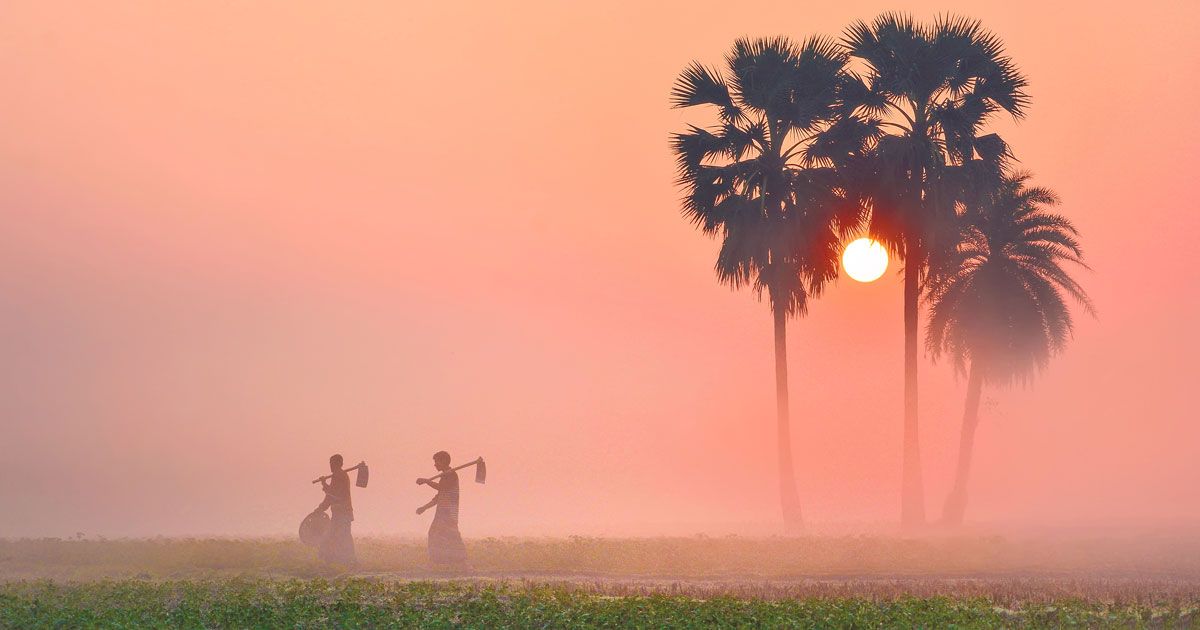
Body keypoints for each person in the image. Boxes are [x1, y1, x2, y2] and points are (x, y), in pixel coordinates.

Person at [416, 451, 467, 567]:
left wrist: (426, 481)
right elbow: (439, 497)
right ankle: (448, 562)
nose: (435, 464)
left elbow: (441, 487)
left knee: (444, 535)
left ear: (443, 461)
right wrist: (424, 508)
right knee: (445, 535)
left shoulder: (451, 475)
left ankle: (456, 562)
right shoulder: (446, 475)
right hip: (442, 512)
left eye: (436, 461)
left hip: (448, 512)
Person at [314, 453, 356, 566]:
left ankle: (341, 561)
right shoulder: (340, 475)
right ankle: (344, 561)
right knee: (341, 537)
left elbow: (332, 495)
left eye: (332, 464)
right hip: (340, 514)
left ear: (338, 464)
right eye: (330, 464)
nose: (330, 466)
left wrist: (324, 484)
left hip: (342, 514)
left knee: (336, 538)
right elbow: (332, 495)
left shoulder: (338, 476)